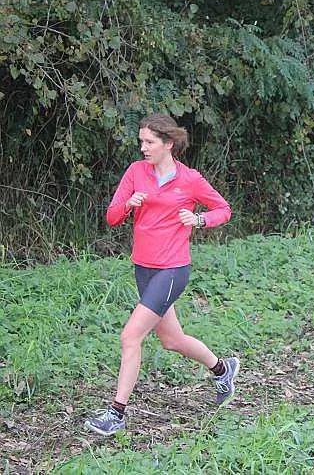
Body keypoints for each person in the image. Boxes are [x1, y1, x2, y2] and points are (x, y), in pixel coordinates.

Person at [85, 113, 238, 436]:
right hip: (144, 267)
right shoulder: (135, 172)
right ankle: (223, 369)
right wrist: (129, 203)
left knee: (130, 336)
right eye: (141, 141)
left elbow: (223, 209)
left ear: (168, 144)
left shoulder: (190, 179)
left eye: (149, 142)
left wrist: (199, 220)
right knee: (172, 340)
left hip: (173, 268)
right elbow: (112, 217)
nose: (143, 148)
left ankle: (116, 413)